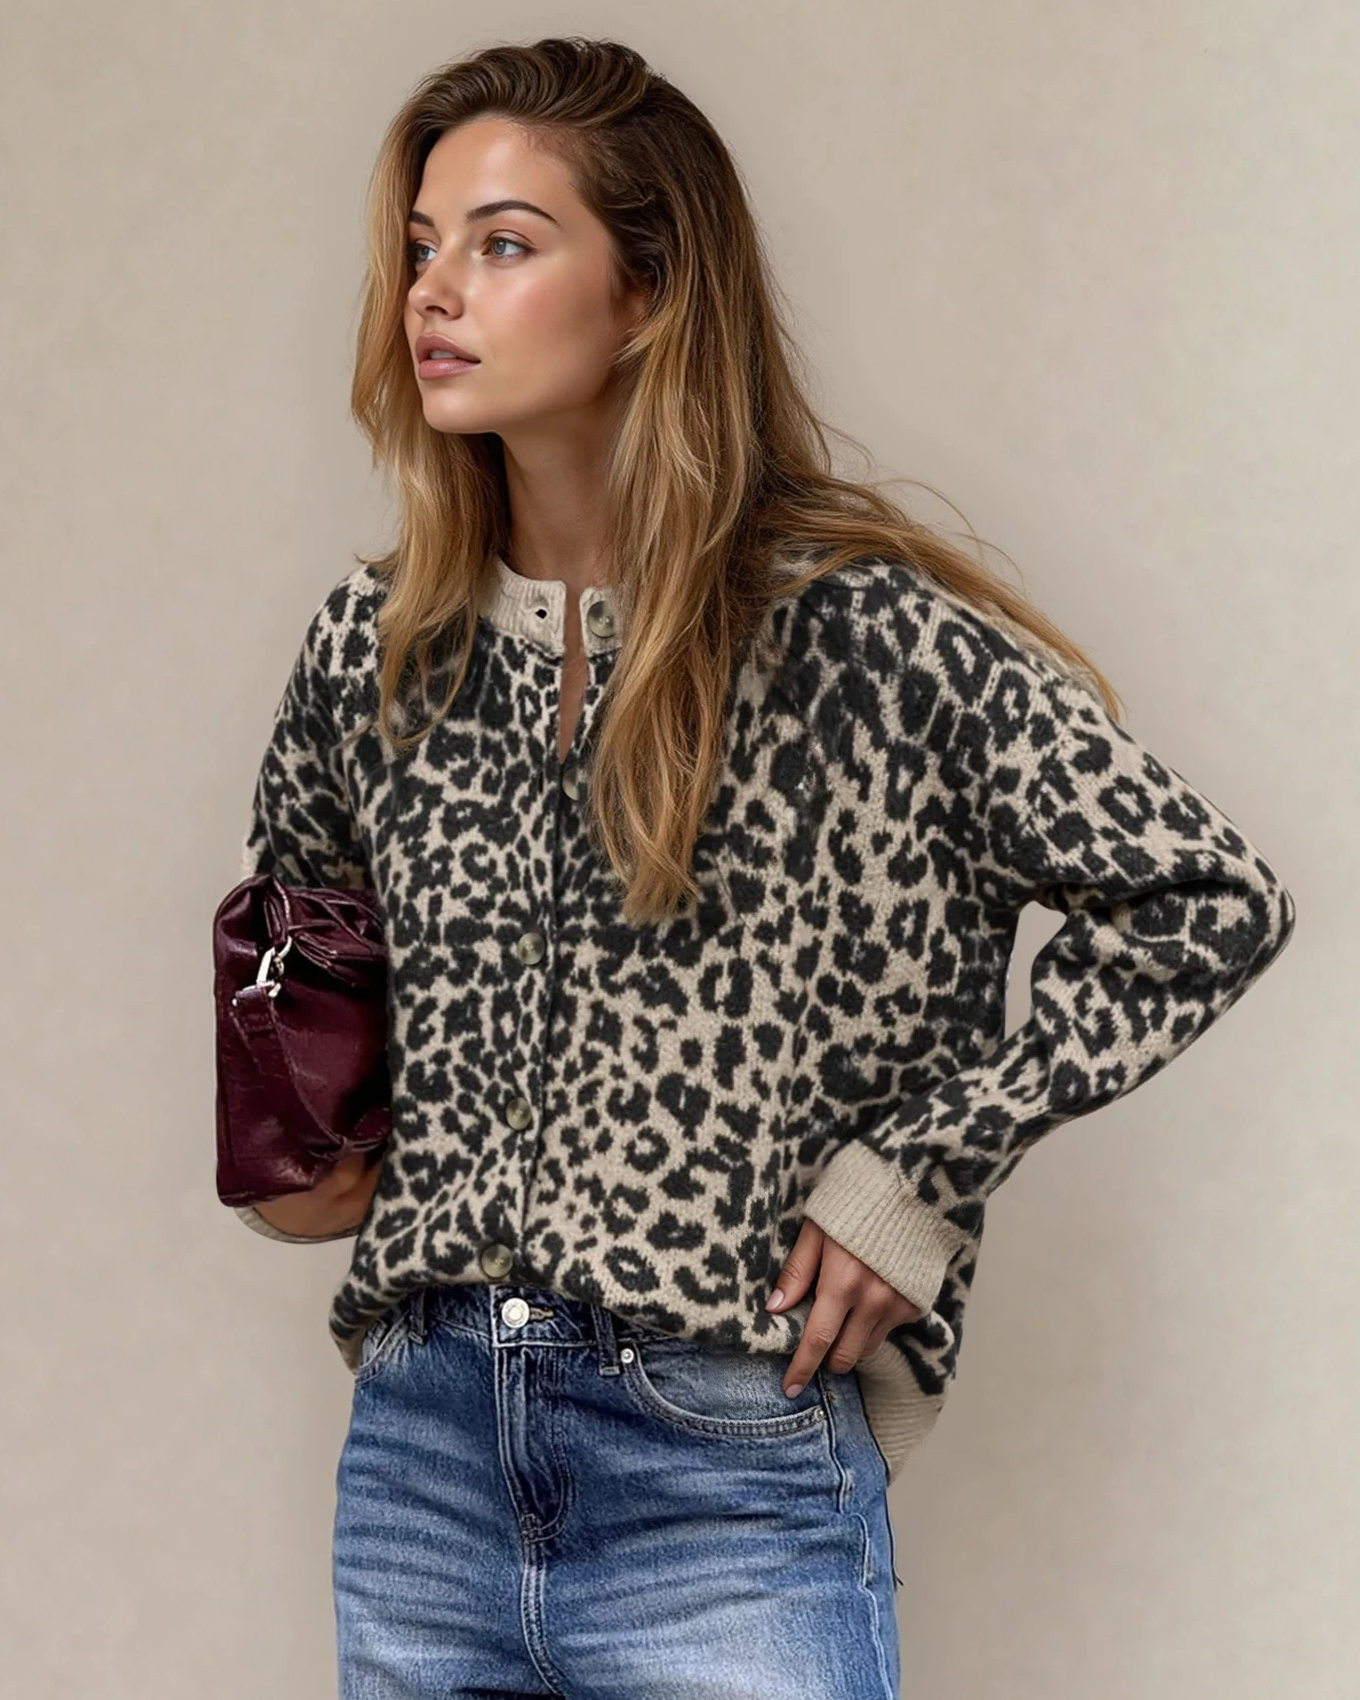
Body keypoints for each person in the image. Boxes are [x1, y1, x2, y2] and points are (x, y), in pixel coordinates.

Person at [229, 35, 1297, 1700]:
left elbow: (1205, 900)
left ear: (649, 294)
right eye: (424, 246)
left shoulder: (860, 638)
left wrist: (913, 1181)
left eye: (505, 244)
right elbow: (294, 948)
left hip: (721, 1460)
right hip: (425, 1457)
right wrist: (302, 1131)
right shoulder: (378, 649)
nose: (435, 290)